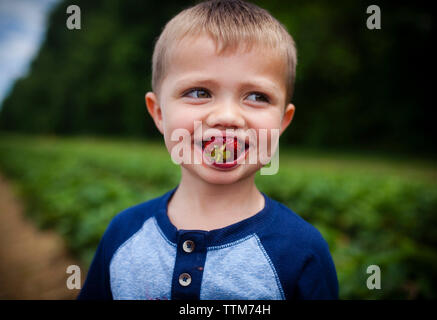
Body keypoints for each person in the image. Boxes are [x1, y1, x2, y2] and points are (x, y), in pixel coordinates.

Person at [78, 0, 338, 300]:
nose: (227, 117)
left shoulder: (303, 251)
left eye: (256, 96)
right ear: (159, 112)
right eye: (199, 93)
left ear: (282, 121)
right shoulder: (123, 234)